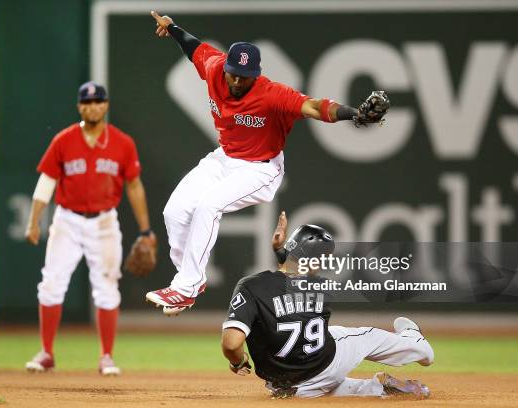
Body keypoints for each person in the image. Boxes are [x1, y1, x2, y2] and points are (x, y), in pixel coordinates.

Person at [145, 11, 389, 315]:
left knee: (209, 206)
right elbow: (194, 47)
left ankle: (185, 287)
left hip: (261, 168)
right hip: (223, 158)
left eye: (243, 76)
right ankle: (190, 280)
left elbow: (315, 106)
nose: (235, 79)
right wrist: (173, 28)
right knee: (175, 210)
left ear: (256, 74)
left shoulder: (271, 95)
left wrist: (355, 114)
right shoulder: (215, 67)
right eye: (233, 72)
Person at [220, 212, 434, 398]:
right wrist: (280, 251)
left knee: (314, 340)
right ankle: (418, 345)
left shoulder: (251, 286)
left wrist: (238, 362)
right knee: (368, 336)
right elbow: (298, 276)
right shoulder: (322, 287)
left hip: (286, 387)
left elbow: (231, 344)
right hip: (326, 363)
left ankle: (375, 389)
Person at [24, 81, 156, 375]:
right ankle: (47, 352)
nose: (93, 106)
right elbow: (46, 182)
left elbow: (134, 185)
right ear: (79, 107)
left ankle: (106, 356)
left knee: (107, 288)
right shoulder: (64, 140)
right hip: (67, 220)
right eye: (87, 102)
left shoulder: (122, 143)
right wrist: (33, 221)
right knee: (51, 284)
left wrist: (146, 231)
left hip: (104, 221)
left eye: (98, 101)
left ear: (106, 106)